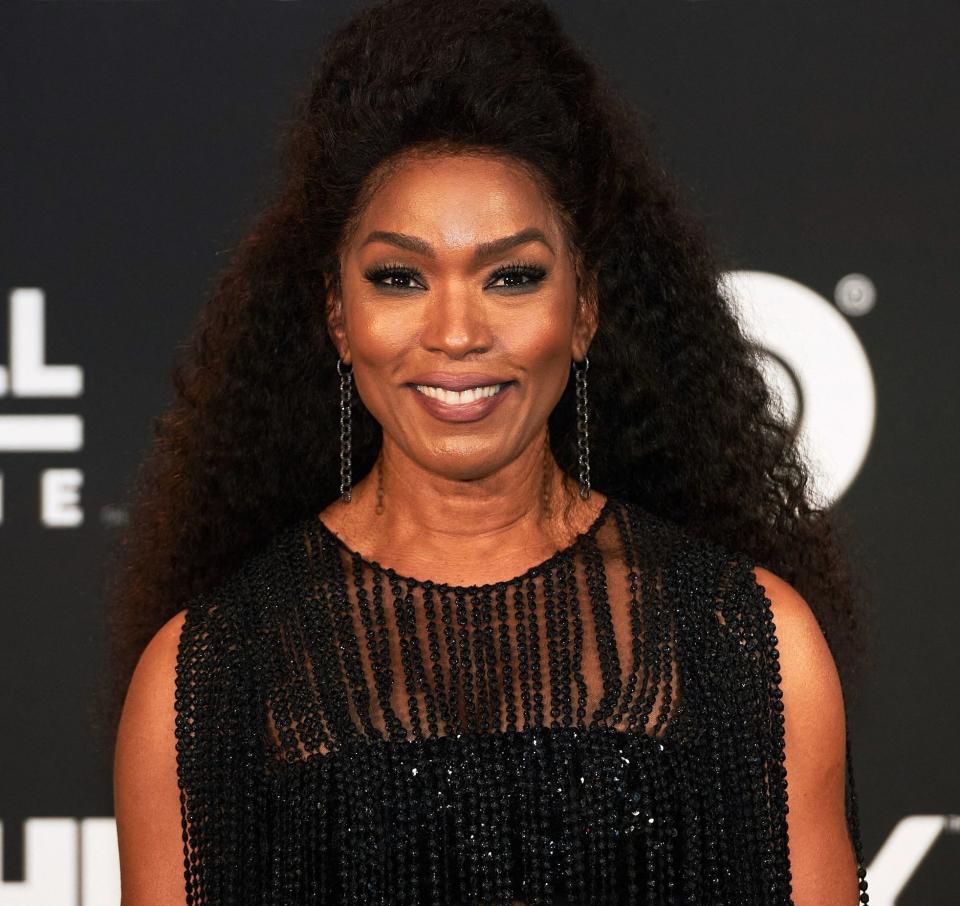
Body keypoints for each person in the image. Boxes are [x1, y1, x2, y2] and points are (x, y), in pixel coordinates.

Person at [103, 0, 872, 902]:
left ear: (583, 308)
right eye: (400, 277)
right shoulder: (205, 679)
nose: (457, 331)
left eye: (512, 276)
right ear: (337, 316)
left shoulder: (748, 644)